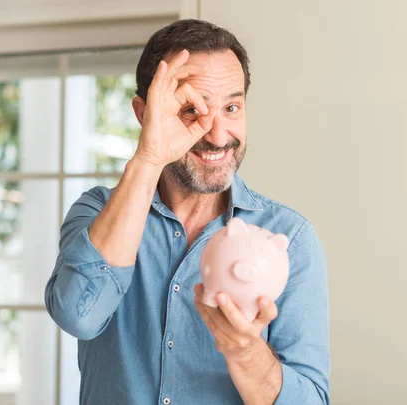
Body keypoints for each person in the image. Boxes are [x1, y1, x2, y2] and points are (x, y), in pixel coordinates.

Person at [45, 19, 330, 405]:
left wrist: (246, 352)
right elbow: (78, 314)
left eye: (231, 107)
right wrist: (149, 156)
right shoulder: (98, 212)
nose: (216, 134)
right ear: (143, 114)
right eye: (191, 110)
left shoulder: (289, 238)